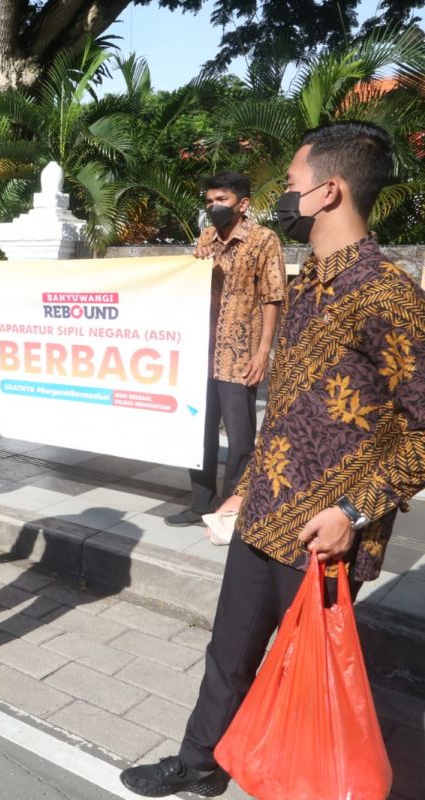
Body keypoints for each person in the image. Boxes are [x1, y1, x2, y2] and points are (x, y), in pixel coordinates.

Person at [121, 122, 425, 797]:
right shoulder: (308, 279)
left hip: (324, 537)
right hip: (263, 513)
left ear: (329, 191)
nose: (282, 196)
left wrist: (355, 511)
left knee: (307, 676)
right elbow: (289, 409)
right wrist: (244, 486)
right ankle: (200, 766)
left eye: (290, 184)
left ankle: (304, 785)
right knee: (227, 654)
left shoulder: (389, 294)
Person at [165, 172, 286, 528]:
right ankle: (200, 502)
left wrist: (264, 352)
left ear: (243, 204)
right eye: (209, 201)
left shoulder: (264, 240)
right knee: (198, 433)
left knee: (240, 439)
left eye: (222, 200)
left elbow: (273, 297)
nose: (213, 207)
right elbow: (192, 284)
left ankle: (232, 508)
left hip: (239, 357)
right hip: (201, 354)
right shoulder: (206, 237)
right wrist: (197, 259)